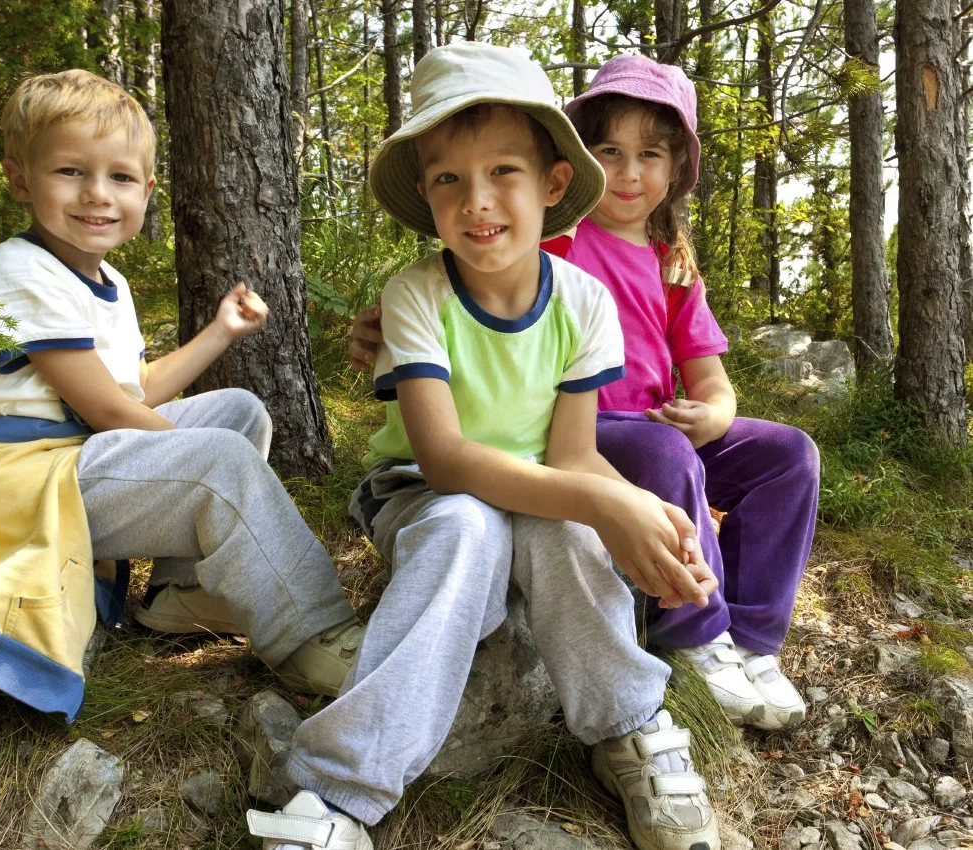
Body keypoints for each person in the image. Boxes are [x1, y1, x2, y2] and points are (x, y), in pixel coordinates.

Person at [247, 42, 722, 850]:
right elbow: (446, 461)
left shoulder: (584, 302)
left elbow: (572, 458)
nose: (478, 201)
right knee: (472, 523)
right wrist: (606, 497)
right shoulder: (417, 296)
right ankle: (341, 786)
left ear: (553, 183)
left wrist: (636, 509)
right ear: (426, 195)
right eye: (448, 180)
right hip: (424, 494)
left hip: (540, 485)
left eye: (504, 170)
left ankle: (629, 725)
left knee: (571, 529)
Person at [349, 54, 819, 732]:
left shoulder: (675, 264)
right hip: (595, 428)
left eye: (650, 155)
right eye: (611, 151)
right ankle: (694, 631)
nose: (630, 173)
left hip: (658, 425)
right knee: (661, 452)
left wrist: (713, 413)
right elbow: (479, 288)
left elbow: (711, 375)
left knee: (790, 455)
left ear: (676, 169)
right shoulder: (560, 242)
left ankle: (752, 637)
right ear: (571, 168)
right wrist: (390, 329)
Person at [0, 69, 363, 720]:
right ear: (21, 178)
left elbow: (131, 390)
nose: (96, 195)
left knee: (237, 412)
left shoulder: (106, 279)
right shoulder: (22, 271)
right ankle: (313, 639)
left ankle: (182, 594)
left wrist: (220, 332)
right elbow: (109, 412)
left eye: (118, 177)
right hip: (19, 484)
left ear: (146, 190)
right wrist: (220, 469)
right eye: (69, 172)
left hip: (70, 456)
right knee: (222, 462)